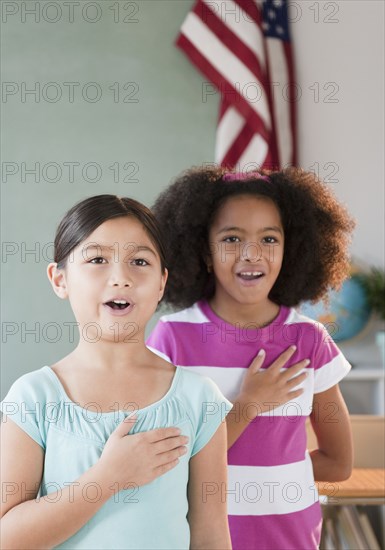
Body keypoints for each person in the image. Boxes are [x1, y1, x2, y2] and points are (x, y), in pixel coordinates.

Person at [0, 194, 232, 550]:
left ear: (161, 284)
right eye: (97, 259)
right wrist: (108, 477)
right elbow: (8, 538)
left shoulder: (200, 399)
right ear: (59, 279)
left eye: (139, 261)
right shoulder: (33, 398)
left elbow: (211, 535)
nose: (121, 277)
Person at [147, 166, 355, 550]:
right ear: (204, 252)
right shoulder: (172, 338)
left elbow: (339, 463)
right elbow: (167, 462)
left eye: (269, 239)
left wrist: (275, 476)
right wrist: (248, 406)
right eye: (231, 238)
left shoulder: (309, 340)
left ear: (290, 250)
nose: (251, 254)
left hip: (292, 536)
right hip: (202, 538)